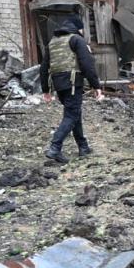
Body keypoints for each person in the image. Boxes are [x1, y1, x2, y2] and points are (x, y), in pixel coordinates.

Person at [40, 15, 104, 163]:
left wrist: (46, 89)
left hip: (58, 84)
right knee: (71, 115)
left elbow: (44, 67)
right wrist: (96, 86)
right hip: (73, 83)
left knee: (74, 113)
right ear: (78, 28)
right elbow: (87, 63)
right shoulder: (76, 39)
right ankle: (54, 148)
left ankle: (83, 147)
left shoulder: (53, 42)